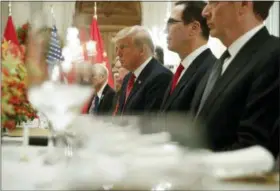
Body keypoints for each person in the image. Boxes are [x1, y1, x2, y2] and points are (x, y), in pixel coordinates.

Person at [191, 1, 279, 157]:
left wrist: (192, 164)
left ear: (243, 5)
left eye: (214, 2)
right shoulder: (221, 61)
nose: (205, 12)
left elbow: (253, 149)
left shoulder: (273, 55)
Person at [160, 1, 216, 113]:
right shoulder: (183, 69)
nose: (165, 30)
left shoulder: (211, 70)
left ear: (194, 28)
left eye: (171, 23)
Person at [113, 25, 173, 115]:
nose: (118, 54)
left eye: (122, 47)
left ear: (142, 50)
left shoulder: (161, 77)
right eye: (117, 49)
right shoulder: (128, 78)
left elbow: (149, 121)